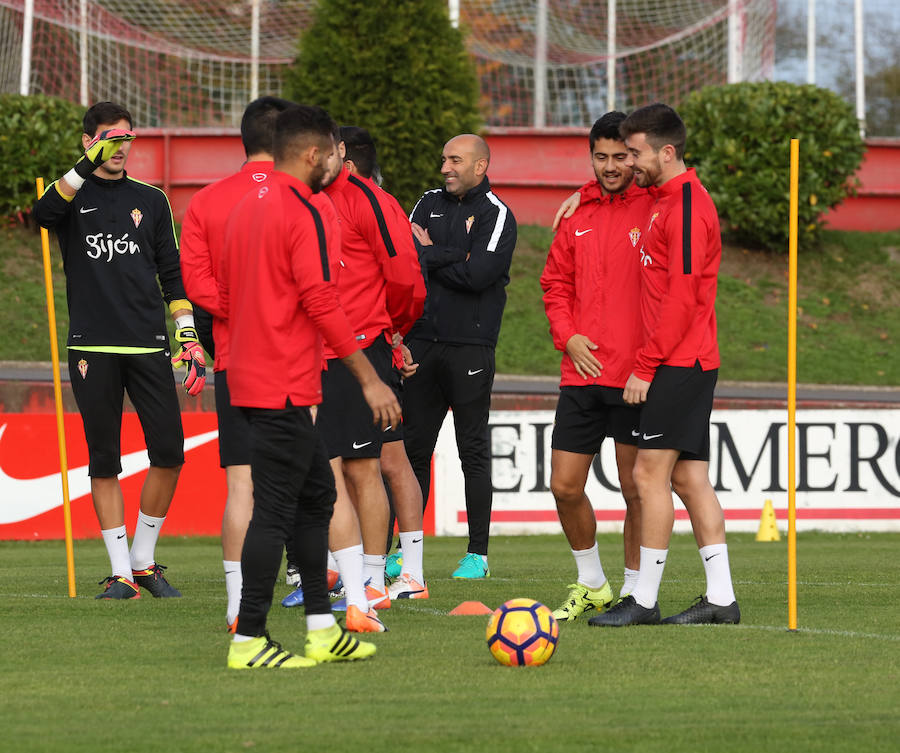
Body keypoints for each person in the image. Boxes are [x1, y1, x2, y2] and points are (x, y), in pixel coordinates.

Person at [220, 104, 400, 668]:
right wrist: (370, 379)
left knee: (316, 496)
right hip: (284, 378)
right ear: (313, 155)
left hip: (253, 370)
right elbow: (321, 300)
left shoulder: (250, 203)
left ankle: (322, 629)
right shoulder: (309, 210)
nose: (338, 162)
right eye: (332, 153)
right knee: (277, 504)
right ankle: (249, 639)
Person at [33, 101, 205, 600]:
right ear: (88, 141)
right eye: (110, 137)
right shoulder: (70, 196)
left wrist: (187, 335)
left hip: (147, 344)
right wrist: (86, 166)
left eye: (127, 137)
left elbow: (171, 276)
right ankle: (121, 573)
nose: (121, 146)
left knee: (170, 453)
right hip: (92, 345)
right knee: (104, 460)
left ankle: (144, 560)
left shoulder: (151, 200)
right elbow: (43, 214)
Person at [588, 103, 740, 627]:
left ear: (666, 151)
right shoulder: (664, 198)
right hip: (684, 359)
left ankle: (644, 601)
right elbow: (614, 202)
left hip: (680, 361)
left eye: (635, 153)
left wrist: (647, 365)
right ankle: (721, 599)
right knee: (690, 478)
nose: (628, 163)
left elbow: (684, 295)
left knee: (650, 474)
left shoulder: (689, 204)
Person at [179, 96, 294, 630]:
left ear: (243, 139)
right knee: (319, 479)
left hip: (236, 359)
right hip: (297, 359)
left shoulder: (206, 202)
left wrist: (239, 309)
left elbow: (195, 285)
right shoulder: (306, 197)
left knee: (242, 485)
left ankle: (235, 605)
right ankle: (348, 599)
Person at [540, 111, 654, 621]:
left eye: (620, 157)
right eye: (601, 157)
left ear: (635, 155)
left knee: (635, 489)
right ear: (591, 157)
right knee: (564, 485)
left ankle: (634, 590)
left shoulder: (656, 208)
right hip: (581, 373)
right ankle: (592, 582)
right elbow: (554, 285)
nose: (611, 167)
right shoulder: (576, 215)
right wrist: (569, 336)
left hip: (634, 377)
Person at [404, 134, 517, 579]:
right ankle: (403, 549)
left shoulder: (497, 214)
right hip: (422, 342)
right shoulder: (425, 202)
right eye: (444, 159)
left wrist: (431, 254)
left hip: (471, 346)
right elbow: (407, 258)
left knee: (472, 449)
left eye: (456, 160)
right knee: (413, 451)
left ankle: (477, 555)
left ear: (480, 166)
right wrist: (448, 255)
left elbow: (479, 274)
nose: (446, 167)